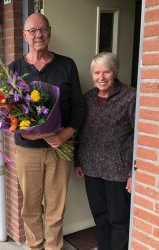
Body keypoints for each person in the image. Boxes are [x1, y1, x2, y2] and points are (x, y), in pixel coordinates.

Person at [9, 13, 86, 250]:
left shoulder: (66, 65)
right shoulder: (14, 68)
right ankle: (35, 246)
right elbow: (8, 110)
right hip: (28, 150)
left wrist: (65, 134)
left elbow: (78, 106)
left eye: (43, 29)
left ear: (50, 32)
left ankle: (54, 247)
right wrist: (22, 129)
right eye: (32, 30)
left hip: (60, 147)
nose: (38, 35)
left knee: (56, 205)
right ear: (25, 35)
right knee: (30, 206)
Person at [75, 52, 135, 250]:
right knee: (100, 216)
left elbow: (140, 136)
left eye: (106, 72)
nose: (101, 78)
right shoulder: (87, 98)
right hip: (91, 168)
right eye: (96, 73)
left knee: (118, 219)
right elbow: (80, 130)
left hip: (118, 170)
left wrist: (132, 173)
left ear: (115, 72)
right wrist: (77, 161)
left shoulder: (130, 96)